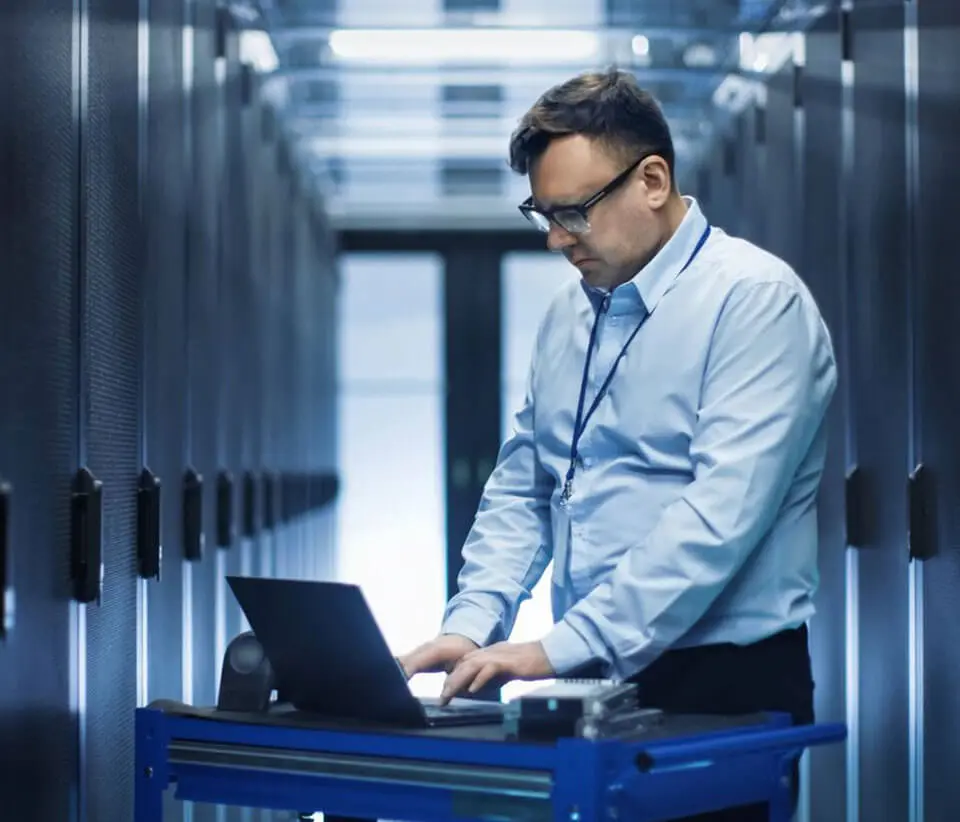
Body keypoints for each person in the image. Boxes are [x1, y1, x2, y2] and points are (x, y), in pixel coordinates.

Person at [399, 68, 837, 821]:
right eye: (543, 215)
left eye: (574, 213)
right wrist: (471, 622)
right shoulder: (570, 318)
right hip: (597, 672)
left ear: (654, 180)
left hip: (723, 682)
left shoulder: (756, 303)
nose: (557, 241)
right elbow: (528, 486)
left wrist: (553, 648)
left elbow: (718, 519)